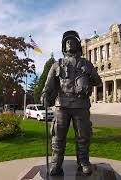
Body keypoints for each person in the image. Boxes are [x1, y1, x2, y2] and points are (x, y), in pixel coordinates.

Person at [41, 30, 102, 176]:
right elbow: (48, 84)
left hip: (81, 105)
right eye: (67, 42)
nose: (69, 43)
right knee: (58, 136)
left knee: (83, 136)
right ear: (64, 46)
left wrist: (89, 72)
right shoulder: (57, 64)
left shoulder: (86, 63)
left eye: (72, 41)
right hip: (62, 105)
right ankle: (56, 163)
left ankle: (83, 162)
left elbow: (98, 81)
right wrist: (45, 94)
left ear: (78, 45)